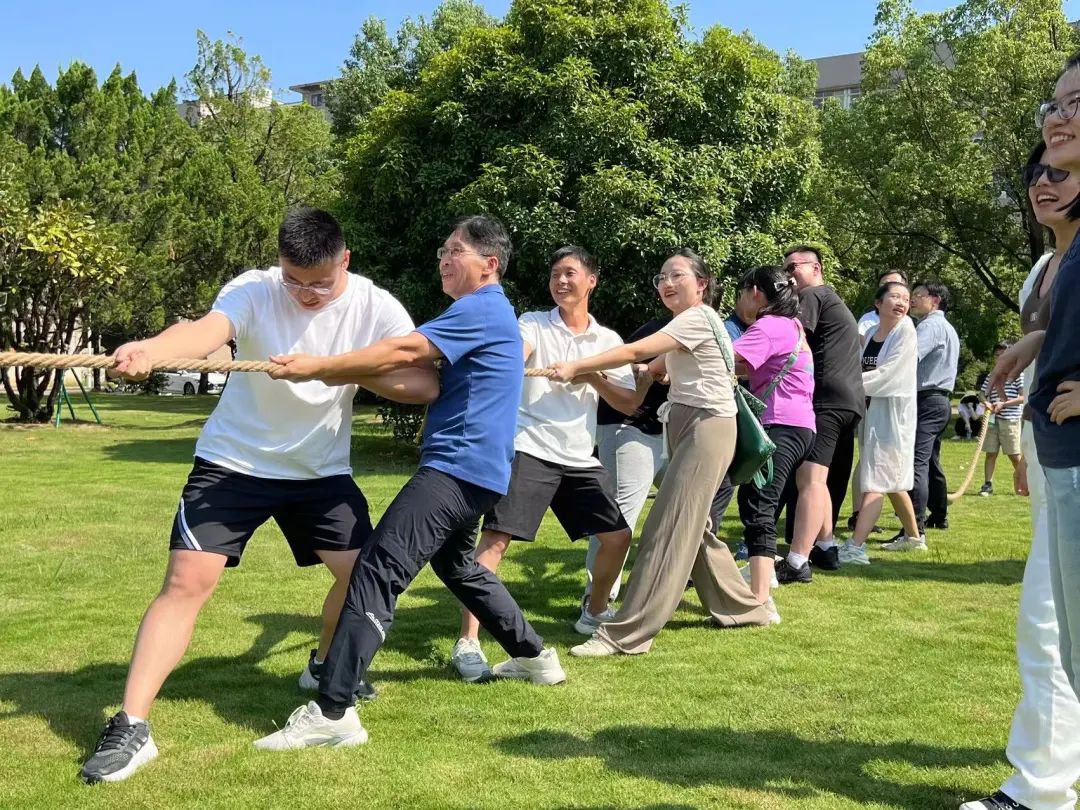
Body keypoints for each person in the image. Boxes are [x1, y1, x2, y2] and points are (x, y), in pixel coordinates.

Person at [79, 208, 439, 784]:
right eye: (294, 281)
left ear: (345, 260)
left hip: (320, 473)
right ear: (279, 265)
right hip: (234, 463)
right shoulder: (254, 289)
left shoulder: (377, 307)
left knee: (361, 578)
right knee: (186, 583)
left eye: (319, 283)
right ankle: (132, 725)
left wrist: (333, 369)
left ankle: (323, 666)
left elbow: (421, 383)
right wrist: (150, 347)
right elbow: (203, 333)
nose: (305, 294)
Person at [255, 215, 566, 752]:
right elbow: (416, 377)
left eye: (456, 250)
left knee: (377, 568)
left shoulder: (480, 308)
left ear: (489, 264)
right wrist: (339, 370)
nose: (444, 259)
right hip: (480, 473)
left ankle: (333, 710)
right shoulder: (491, 313)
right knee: (457, 567)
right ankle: (535, 656)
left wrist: (320, 365)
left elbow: (404, 353)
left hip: (456, 469)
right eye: (443, 250)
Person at [549, 249, 774, 658]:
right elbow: (650, 370)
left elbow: (634, 352)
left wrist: (577, 365)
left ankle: (627, 634)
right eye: (661, 278)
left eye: (677, 276)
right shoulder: (685, 325)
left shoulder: (696, 318)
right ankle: (746, 609)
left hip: (707, 429)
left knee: (666, 528)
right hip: (689, 426)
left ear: (702, 284)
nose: (666, 284)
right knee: (695, 529)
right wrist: (628, 374)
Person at [451, 246, 642, 682]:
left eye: (570, 273)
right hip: (530, 447)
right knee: (495, 542)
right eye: (555, 274)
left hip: (578, 457)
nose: (561, 281)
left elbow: (629, 402)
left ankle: (594, 612)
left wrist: (588, 374)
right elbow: (516, 353)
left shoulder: (608, 341)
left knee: (617, 537)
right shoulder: (533, 323)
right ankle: (468, 641)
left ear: (591, 280)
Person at [962, 139, 1080, 810]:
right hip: (1050, 444)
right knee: (1049, 620)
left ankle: (1040, 788)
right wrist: (1025, 357)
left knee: (1048, 620)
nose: (1043, 182)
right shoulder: (1044, 265)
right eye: (1036, 173)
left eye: (1060, 171)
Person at [777, 245, 865, 583]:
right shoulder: (833, 300)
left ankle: (797, 561)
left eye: (793, 267)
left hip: (826, 399)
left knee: (809, 479)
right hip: (849, 402)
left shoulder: (812, 295)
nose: (788, 275)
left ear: (816, 268)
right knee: (820, 478)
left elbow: (789, 339)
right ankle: (826, 547)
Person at [729, 267, 816, 601]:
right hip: (800, 425)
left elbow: (725, 357)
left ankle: (760, 596)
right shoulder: (792, 325)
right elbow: (747, 365)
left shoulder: (769, 326)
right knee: (758, 502)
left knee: (759, 506)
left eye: (741, 294)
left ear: (755, 292)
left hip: (779, 424)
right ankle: (760, 581)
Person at [586, 316, 669, 605]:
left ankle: (697, 586)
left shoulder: (699, 325)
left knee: (692, 514)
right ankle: (596, 602)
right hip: (628, 427)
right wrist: (646, 370)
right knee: (618, 521)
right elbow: (626, 360)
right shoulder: (662, 328)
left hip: (665, 432)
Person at [838, 282, 921, 565]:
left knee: (875, 479)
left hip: (893, 416)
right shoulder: (873, 332)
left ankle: (856, 547)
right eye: (895, 297)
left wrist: (849, 384)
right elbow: (860, 366)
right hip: (871, 411)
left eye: (906, 299)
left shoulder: (906, 331)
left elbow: (891, 374)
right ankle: (914, 538)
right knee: (892, 478)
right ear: (878, 303)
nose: (901, 303)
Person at [887, 280, 959, 550]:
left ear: (935, 300)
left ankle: (914, 530)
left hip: (926, 400)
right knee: (930, 461)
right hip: (939, 401)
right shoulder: (947, 327)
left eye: (918, 295)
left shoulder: (929, 326)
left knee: (915, 462)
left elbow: (908, 357)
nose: (912, 300)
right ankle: (938, 516)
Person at [978, 342, 1026, 498]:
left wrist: (1003, 404)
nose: (999, 358)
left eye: (1003, 355)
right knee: (991, 453)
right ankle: (987, 484)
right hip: (993, 420)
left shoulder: (1017, 375)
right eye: (997, 355)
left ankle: (1024, 482)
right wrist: (986, 402)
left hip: (1010, 421)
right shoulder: (992, 375)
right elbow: (982, 394)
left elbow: (1023, 397)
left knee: (1014, 454)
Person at [856, 269, 908, 338]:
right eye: (884, 285)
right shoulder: (867, 320)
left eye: (895, 284)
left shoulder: (909, 324)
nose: (890, 288)